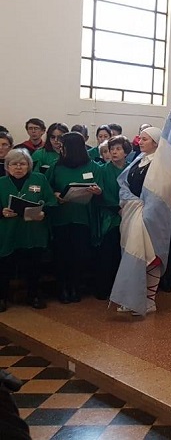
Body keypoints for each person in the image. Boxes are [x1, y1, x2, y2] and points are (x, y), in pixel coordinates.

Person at [111, 83, 171, 317]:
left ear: (155, 142)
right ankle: (132, 297)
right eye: (139, 138)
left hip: (149, 217)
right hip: (132, 213)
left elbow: (161, 190)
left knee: (149, 257)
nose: (139, 142)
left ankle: (149, 300)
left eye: (144, 139)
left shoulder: (161, 164)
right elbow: (124, 183)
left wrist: (145, 210)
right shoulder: (138, 160)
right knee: (132, 257)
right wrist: (128, 202)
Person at [47, 131, 102, 303]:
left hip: (83, 217)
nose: (60, 149)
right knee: (62, 253)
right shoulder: (56, 167)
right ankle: (63, 287)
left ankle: (75, 286)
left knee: (80, 254)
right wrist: (55, 195)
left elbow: (101, 191)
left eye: (63, 146)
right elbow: (46, 189)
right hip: (61, 216)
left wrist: (97, 192)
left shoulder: (93, 167)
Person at [0, 149, 56, 311]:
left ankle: (33, 295)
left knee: (33, 266)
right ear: (7, 166)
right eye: (14, 164)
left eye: (22, 164)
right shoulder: (1, 182)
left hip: (33, 232)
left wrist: (44, 213)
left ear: (29, 166)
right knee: (4, 267)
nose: (18, 167)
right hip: (8, 233)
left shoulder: (40, 179)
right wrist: (2, 212)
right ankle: (2, 297)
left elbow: (51, 202)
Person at [93, 135, 130, 300]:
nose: (114, 152)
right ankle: (104, 289)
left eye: (118, 149)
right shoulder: (103, 169)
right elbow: (102, 194)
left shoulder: (132, 168)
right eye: (111, 149)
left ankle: (123, 290)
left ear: (126, 152)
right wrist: (117, 209)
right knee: (108, 254)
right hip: (111, 217)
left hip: (129, 215)